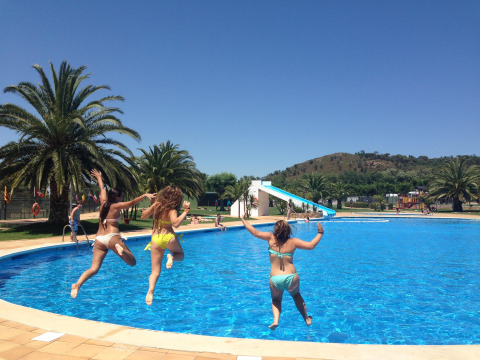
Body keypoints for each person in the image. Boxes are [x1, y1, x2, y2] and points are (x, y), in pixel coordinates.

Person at [70, 169, 156, 299]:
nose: (122, 199)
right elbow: (131, 203)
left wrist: (99, 177)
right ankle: (121, 251)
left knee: (94, 269)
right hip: (112, 238)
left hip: (98, 239)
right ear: (117, 197)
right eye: (121, 197)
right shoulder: (116, 206)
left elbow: (102, 189)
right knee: (132, 262)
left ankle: (77, 285)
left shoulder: (103, 202)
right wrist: (144, 195)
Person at [241, 212, 324, 330]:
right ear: (288, 230)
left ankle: (275, 321)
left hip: (275, 278)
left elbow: (254, 232)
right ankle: (306, 317)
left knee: (276, 300)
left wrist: (243, 219)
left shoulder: (270, 238)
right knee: (296, 296)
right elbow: (311, 245)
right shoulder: (293, 242)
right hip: (291, 277)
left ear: (276, 229)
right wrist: (320, 233)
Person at [141, 186, 190, 305]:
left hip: (156, 239)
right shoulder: (172, 210)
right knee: (180, 255)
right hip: (169, 237)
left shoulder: (157, 206)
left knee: (155, 272)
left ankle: (151, 290)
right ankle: (171, 257)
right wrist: (186, 210)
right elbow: (176, 224)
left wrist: (153, 205)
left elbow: (143, 216)